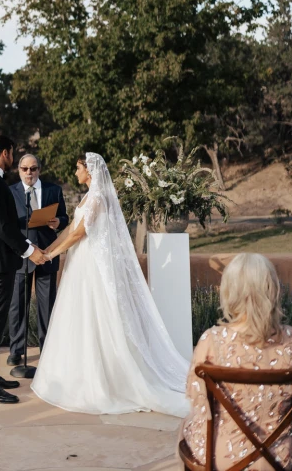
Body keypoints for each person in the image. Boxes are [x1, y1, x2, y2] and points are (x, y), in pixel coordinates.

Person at [31, 152, 189, 416]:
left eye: (77, 168)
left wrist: (51, 255)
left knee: (97, 317)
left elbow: (81, 233)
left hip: (91, 266)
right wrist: (46, 249)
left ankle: (102, 379)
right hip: (80, 264)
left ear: (89, 171)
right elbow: (70, 229)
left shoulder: (96, 198)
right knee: (79, 317)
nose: (75, 172)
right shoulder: (86, 197)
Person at [182, 253, 292, 471]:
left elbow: (197, 400)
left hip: (223, 458)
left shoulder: (212, 341)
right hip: (278, 458)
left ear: (230, 291)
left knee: (185, 428)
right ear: (273, 290)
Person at [0, 134, 46, 404]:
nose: (13, 157)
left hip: (0, 261)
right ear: (6, 153)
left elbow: (6, 224)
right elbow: (2, 227)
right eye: (12, 153)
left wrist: (27, 244)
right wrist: (30, 251)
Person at [7, 154, 68, 366]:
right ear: (19, 170)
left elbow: (65, 218)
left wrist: (58, 221)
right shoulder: (11, 192)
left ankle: (47, 350)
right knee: (17, 306)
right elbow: (7, 225)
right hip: (21, 256)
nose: (29, 173)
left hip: (47, 254)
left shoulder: (54, 190)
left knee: (47, 306)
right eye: (24, 169)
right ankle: (16, 350)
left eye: (33, 169)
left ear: (39, 170)